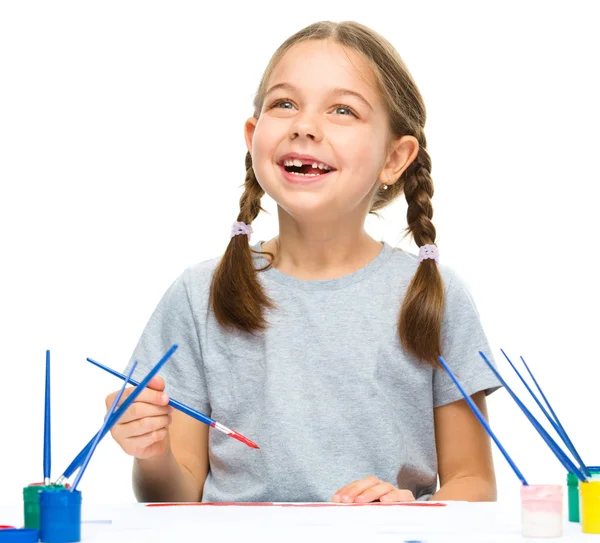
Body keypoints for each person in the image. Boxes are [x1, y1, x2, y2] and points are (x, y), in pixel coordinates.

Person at [106, 20, 501, 504]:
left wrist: (414, 508)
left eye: (342, 110)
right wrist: (150, 450)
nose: (304, 125)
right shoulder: (198, 294)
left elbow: (475, 483)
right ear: (253, 138)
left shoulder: (434, 296)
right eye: (284, 103)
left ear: (395, 157)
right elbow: (171, 494)